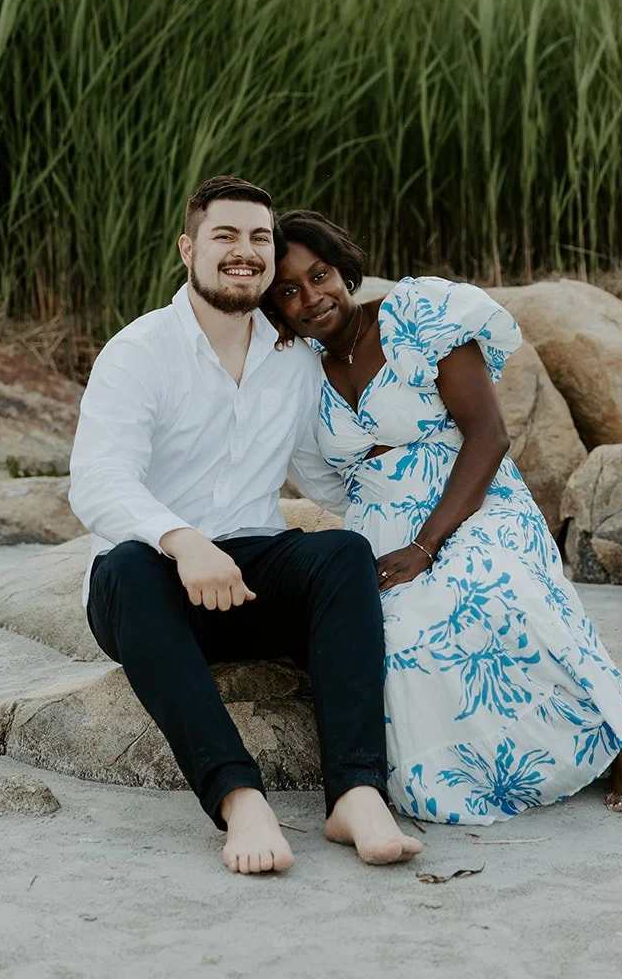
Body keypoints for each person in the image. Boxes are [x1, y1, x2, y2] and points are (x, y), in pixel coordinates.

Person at [266, 210, 622, 826]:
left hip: (475, 502)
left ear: (343, 269)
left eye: (320, 275)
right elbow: (324, 481)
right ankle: (478, 771)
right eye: (288, 290)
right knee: (395, 635)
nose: (311, 296)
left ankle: (609, 743)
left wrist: (424, 545)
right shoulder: (296, 371)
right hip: (378, 527)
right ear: (275, 308)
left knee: (486, 589)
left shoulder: (418, 313)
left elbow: (488, 435)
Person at [68, 175, 423, 875]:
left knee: (343, 553)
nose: (245, 252)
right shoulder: (140, 351)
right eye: (225, 236)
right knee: (126, 565)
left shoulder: (290, 358)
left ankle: (353, 791)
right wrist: (182, 540)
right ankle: (238, 797)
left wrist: (420, 513)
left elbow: (320, 478)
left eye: (258, 238)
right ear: (188, 248)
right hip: (154, 589)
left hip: (254, 576)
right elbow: (98, 481)